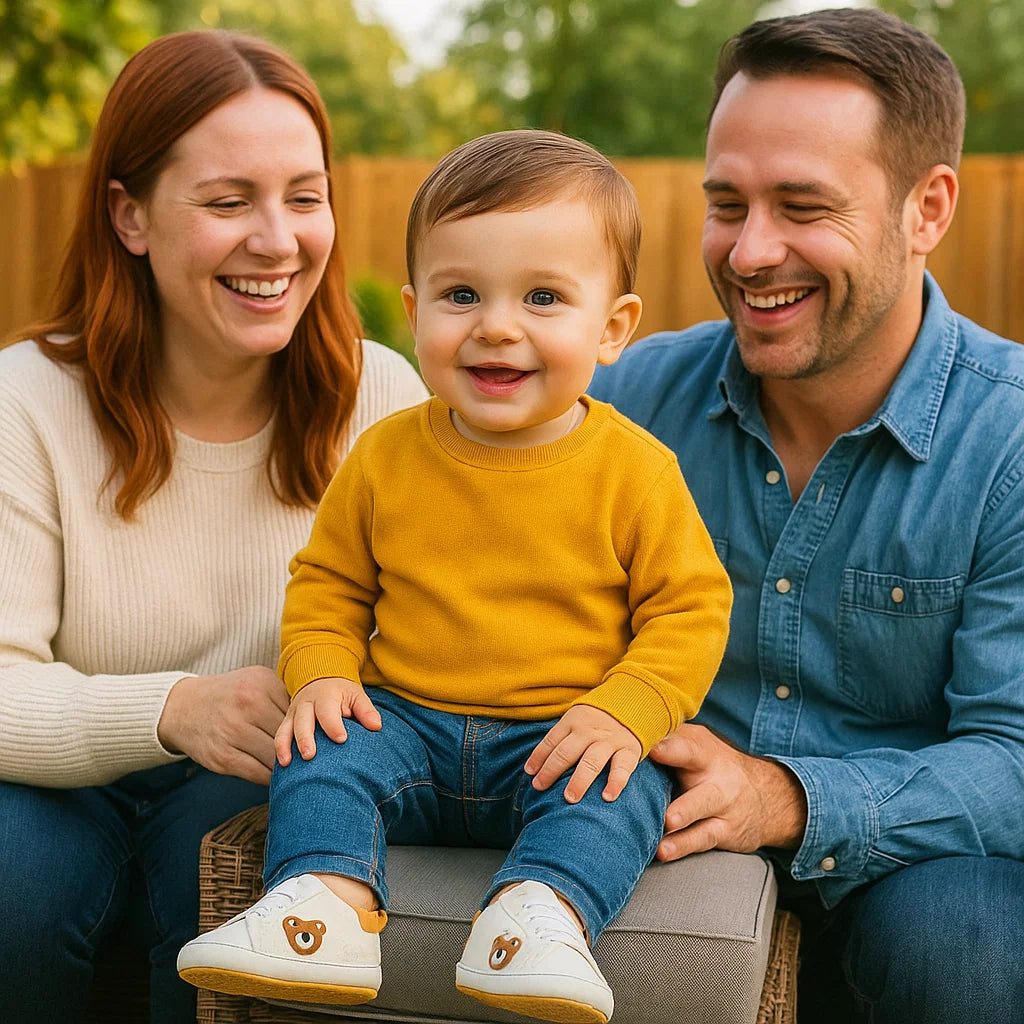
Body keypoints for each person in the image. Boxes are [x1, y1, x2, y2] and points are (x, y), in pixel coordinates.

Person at [177, 129, 733, 1023]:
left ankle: (540, 914)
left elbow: (693, 608)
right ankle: (325, 907)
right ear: (414, 308)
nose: (497, 325)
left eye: (544, 297)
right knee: (318, 752)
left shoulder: (637, 472)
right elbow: (329, 584)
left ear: (613, 328)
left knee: (623, 791)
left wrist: (625, 708)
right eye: (462, 294)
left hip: (558, 733)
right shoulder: (387, 453)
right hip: (405, 723)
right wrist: (320, 670)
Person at [588, 8, 1024, 1024]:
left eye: (801, 206)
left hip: (912, 875)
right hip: (649, 847)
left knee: (966, 942)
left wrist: (783, 797)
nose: (748, 253)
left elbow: (1013, 761)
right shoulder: (624, 402)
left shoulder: (1008, 440)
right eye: (726, 204)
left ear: (928, 209)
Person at [0, 30, 427, 1024]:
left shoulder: (384, 400)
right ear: (130, 215)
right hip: (53, 785)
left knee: (229, 860)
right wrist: (173, 707)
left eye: (304, 196)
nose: (277, 240)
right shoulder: (25, 401)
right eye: (228, 201)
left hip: (256, 778)